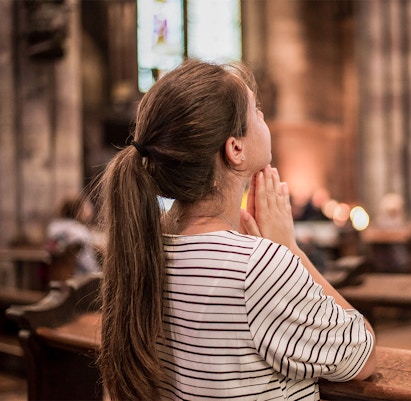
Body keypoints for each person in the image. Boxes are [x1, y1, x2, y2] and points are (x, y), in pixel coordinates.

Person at [96, 59, 376, 401]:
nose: (264, 118)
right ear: (235, 149)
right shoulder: (258, 267)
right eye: (256, 111)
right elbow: (362, 354)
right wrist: (292, 251)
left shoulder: (146, 249)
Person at [46, 193, 102, 277]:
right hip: (79, 280)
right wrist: (98, 275)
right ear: (79, 211)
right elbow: (89, 265)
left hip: (57, 278)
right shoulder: (80, 232)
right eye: (87, 206)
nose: (91, 209)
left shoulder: (53, 228)